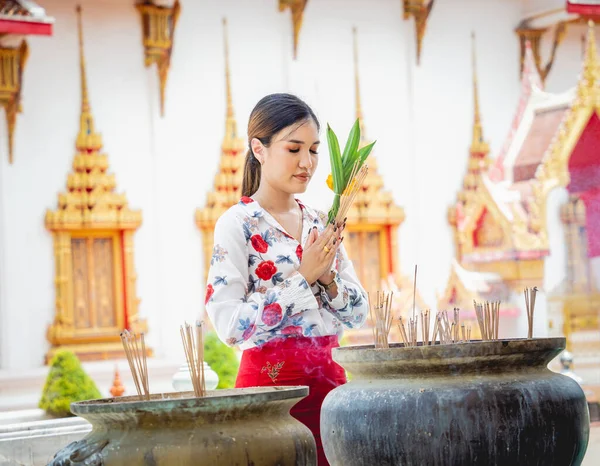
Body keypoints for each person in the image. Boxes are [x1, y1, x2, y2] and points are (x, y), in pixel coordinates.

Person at [205, 93, 368, 465]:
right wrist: (302, 277)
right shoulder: (237, 224)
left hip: (332, 391)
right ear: (258, 149)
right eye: (293, 149)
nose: (306, 162)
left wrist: (328, 280)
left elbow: (358, 315)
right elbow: (230, 327)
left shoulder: (322, 221)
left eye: (313, 150)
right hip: (270, 398)